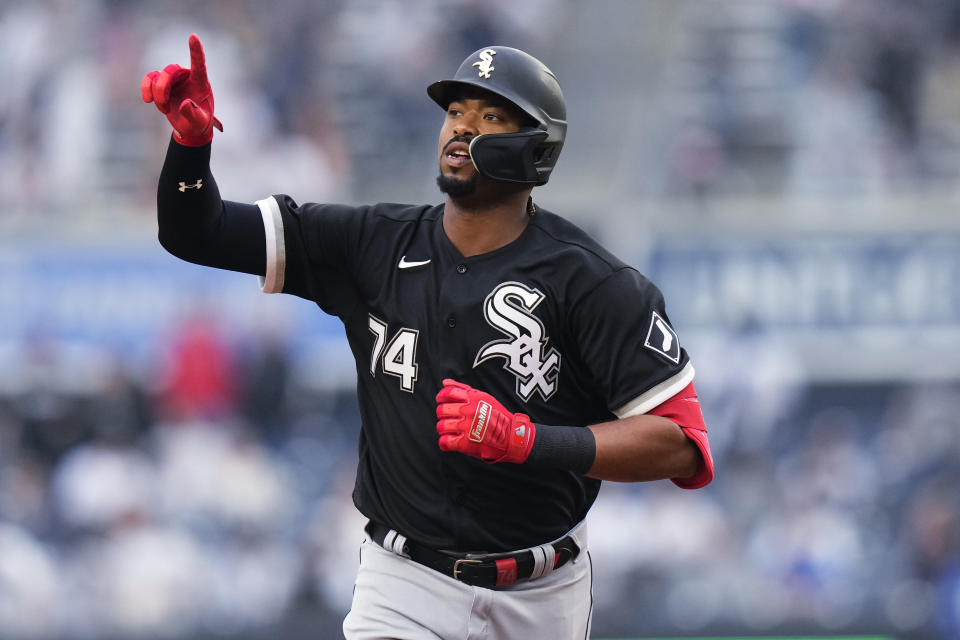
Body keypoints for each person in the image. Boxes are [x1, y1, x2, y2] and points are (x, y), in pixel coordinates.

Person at [141, 34, 715, 640]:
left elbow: (683, 446)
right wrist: (189, 145)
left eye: (491, 116)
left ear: (534, 149)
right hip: (403, 582)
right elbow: (196, 233)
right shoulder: (372, 243)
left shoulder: (592, 281)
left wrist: (528, 440)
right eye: (455, 112)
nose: (462, 128)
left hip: (543, 595)